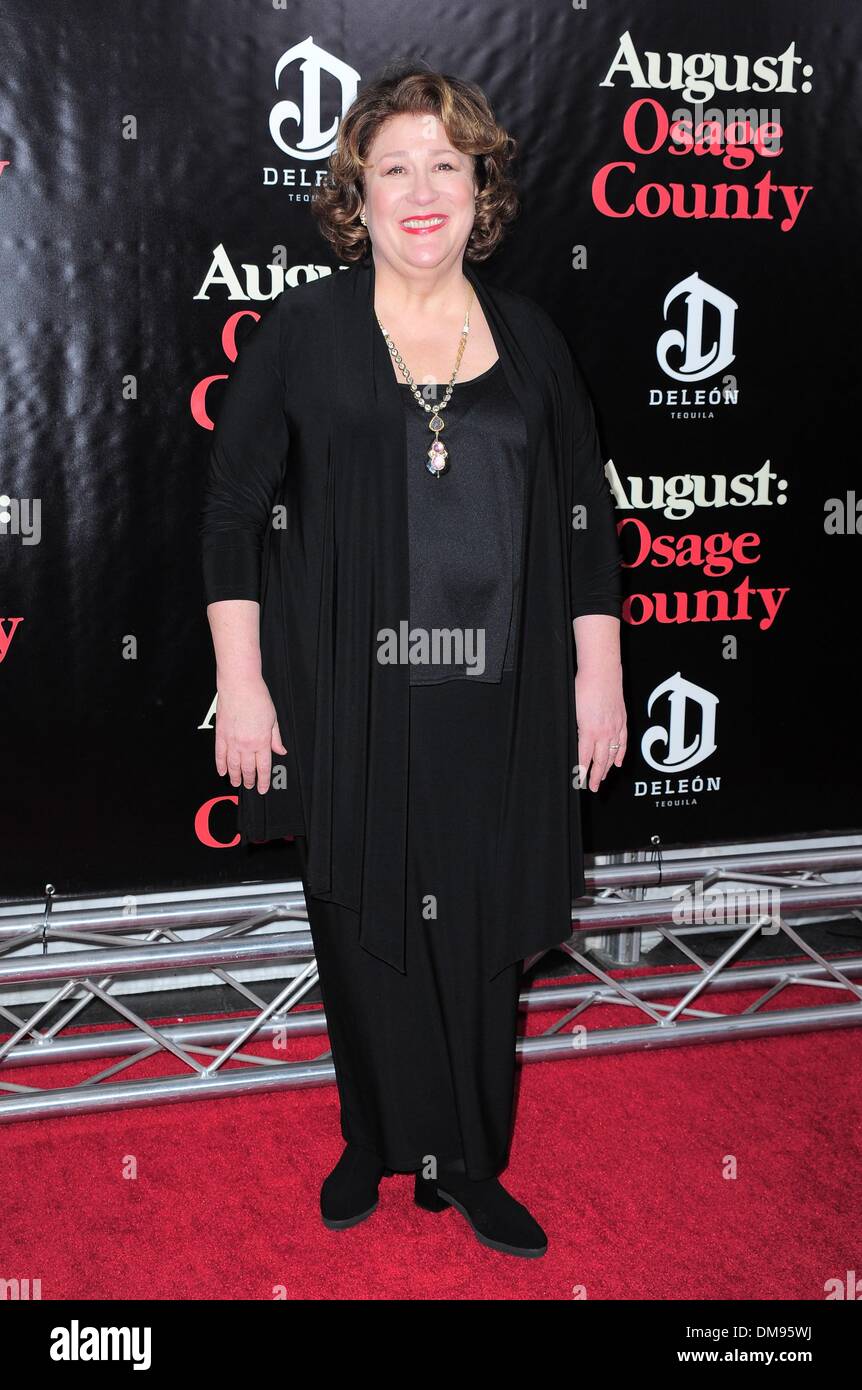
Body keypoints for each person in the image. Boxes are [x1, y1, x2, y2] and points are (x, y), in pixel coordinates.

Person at [199, 61, 626, 1259]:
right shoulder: (306, 331)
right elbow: (232, 511)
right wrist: (243, 681)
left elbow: (586, 521)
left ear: (479, 181)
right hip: (349, 686)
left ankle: (468, 1163)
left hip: (502, 698)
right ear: (359, 192)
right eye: (396, 167)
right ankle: (371, 1139)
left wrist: (599, 672)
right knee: (360, 917)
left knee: (483, 929)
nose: (422, 189)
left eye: (446, 163)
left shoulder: (532, 341)